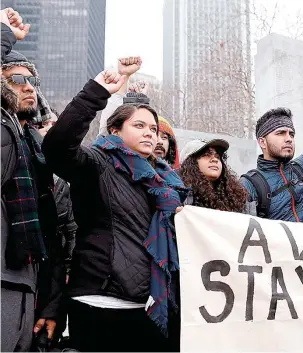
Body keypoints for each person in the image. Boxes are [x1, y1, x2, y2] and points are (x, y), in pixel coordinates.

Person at [42, 70, 188, 352]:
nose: (149, 133)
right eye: (139, 125)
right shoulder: (97, 163)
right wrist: (98, 92)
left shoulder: (165, 182)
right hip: (100, 303)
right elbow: (58, 147)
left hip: (147, 307)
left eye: (153, 129)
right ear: (115, 131)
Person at [1, 8, 64, 352]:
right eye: (17, 80)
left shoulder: (36, 150)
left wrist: (53, 302)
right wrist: (4, 33)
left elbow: (56, 234)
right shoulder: (3, 133)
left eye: (32, 82)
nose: (29, 88)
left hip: (29, 288)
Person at [240, 70, 303, 222]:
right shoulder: (249, 185)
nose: (289, 139)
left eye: (291, 134)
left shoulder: (302, 169)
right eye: (280, 133)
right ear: (262, 142)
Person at [178, 139, 254, 214]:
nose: (215, 160)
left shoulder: (238, 198)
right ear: (190, 163)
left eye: (217, 157)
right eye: (206, 155)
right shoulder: (178, 194)